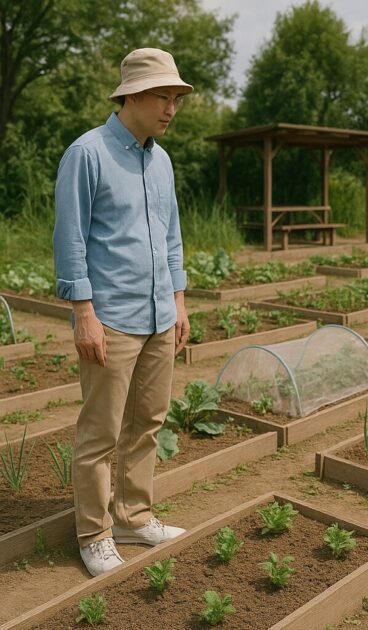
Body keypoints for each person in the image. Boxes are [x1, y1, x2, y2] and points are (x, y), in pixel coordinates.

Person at [53, 48, 193, 577]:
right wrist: (83, 313)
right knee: (100, 432)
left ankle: (134, 515)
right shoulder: (87, 154)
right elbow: (69, 239)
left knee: (148, 422)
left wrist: (178, 301)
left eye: (176, 97)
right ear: (131, 94)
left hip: (160, 314)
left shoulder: (161, 161)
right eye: (163, 95)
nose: (171, 108)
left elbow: (171, 235)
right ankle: (94, 534)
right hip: (110, 316)